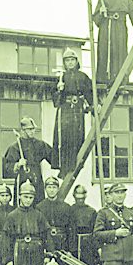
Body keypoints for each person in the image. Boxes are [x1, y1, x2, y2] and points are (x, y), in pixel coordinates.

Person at [51, 48, 94, 179]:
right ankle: (64, 168)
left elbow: (90, 93)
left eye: (72, 60)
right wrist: (59, 90)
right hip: (65, 110)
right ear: (64, 63)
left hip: (77, 110)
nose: (70, 63)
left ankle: (75, 165)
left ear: (76, 61)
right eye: (67, 60)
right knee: (64, 137)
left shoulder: (83, 77)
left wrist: (94, 105)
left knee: (76, 136)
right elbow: (55, 101)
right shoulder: (61, 77)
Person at [37, 176, 78, 265]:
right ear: (45, 189)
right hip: (46, 243)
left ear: (58, 189)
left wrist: (70, 250)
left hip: (62, 244)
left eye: (54, 187)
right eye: (49, 187)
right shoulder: (39, 207)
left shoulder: (66, 207)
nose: (51, 190)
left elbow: (71, 230)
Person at [4, 116, 52, 206]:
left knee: (38, 207)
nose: (33, 131)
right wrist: (17, 164)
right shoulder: (15, 147)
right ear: (22, 130)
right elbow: (7, 167)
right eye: (29, 129)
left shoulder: (40, 145)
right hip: (22, 179)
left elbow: (53, 157)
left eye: (33, 129)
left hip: (36, 180)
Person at [93, 183, 133, 265]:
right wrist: (115, 233)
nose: (120, 195)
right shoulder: (103, 213)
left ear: (125, 195)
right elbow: (97, 234)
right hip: (111, 257)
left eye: (122, 193)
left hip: (130, 257)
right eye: (117, 193)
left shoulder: (131, 213)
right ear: (111, 195)